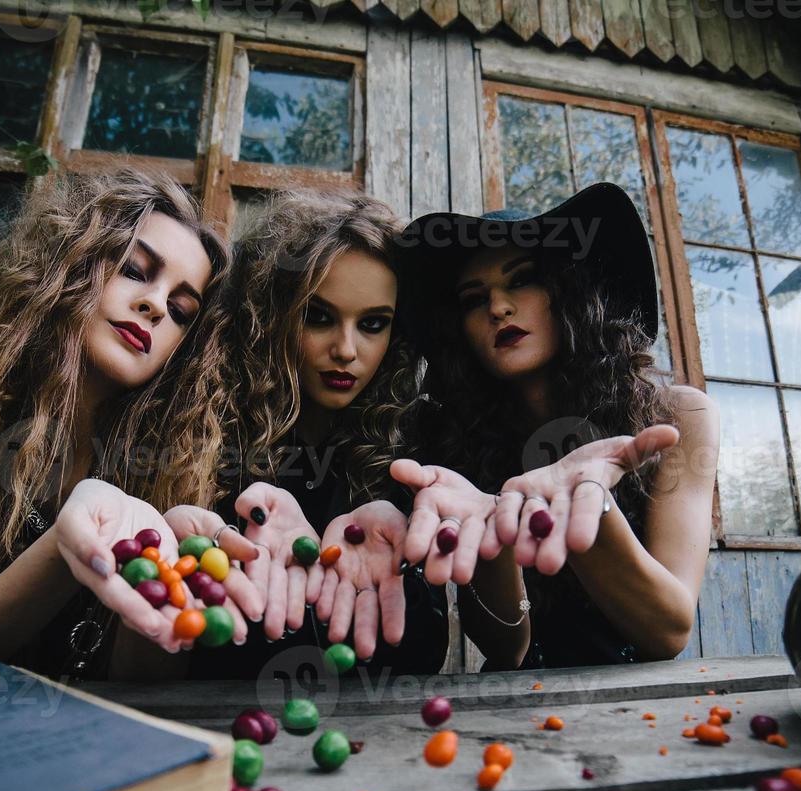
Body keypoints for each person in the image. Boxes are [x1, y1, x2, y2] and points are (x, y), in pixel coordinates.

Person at [0, 167, 261, 683]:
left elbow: (141, 684)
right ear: (69, 265)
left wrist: (163, 574)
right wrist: (70, 549)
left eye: (181, 310)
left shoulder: (176, 445)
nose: (155, 306)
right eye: (134, 270)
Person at [164, 191, 529, 680]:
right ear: (270, 317)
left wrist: (494, 538)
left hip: (400, 741)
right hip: (228, 741)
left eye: (373, 324)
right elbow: (147, 664)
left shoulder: (425, 448)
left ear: (397, 334)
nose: (346, 350)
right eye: (318, 317)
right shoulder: (199, 437)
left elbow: (509, 648)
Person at [395, 183, 718, 668]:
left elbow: (669, 629)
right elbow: (507, 645)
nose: (498, 307)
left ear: (569, 290)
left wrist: (584, 502)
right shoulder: (446, 441)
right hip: (517, 707)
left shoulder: (676, 417)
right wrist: (493, 539)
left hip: (648, 705)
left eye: (522, 279)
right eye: (472, 298)